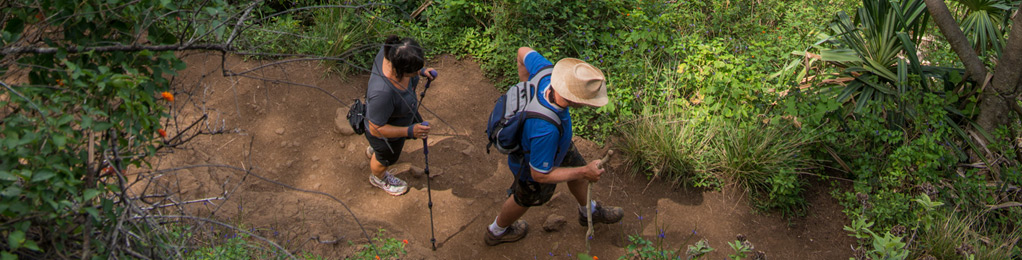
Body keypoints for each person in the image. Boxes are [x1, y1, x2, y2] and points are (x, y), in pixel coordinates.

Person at [484, 47, 624, 245]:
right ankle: (496, 231)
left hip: (557, 146)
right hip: (534, 161)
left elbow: (522, 52)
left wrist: (525, 86)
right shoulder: (545, 129)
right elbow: (539, 175)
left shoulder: (547, 72)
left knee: (575, 165)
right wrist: (584, 172)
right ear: (574, 99)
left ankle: (588, 211)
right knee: (525, 197)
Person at [363, 35, 437, 196]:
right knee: (386, 158)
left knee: (380, 149)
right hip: (384, 131)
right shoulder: (382, 93)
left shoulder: (392, 52)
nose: (416, 74)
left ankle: (374, 150)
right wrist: (409, 131)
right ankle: (379, 177)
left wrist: (421, 70)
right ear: (400, 69)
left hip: (396, 116)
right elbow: (375, 128)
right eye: (412, 72)